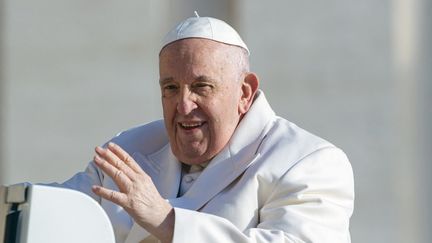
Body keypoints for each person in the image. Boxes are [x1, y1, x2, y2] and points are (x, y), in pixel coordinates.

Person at [56, 14, 354, 243]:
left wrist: (167, 221)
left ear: (245, 92)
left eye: (202, 87)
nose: (183, 106)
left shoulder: (308, 162)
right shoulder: (131, 149)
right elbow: (49, 212)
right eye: (171, 88)